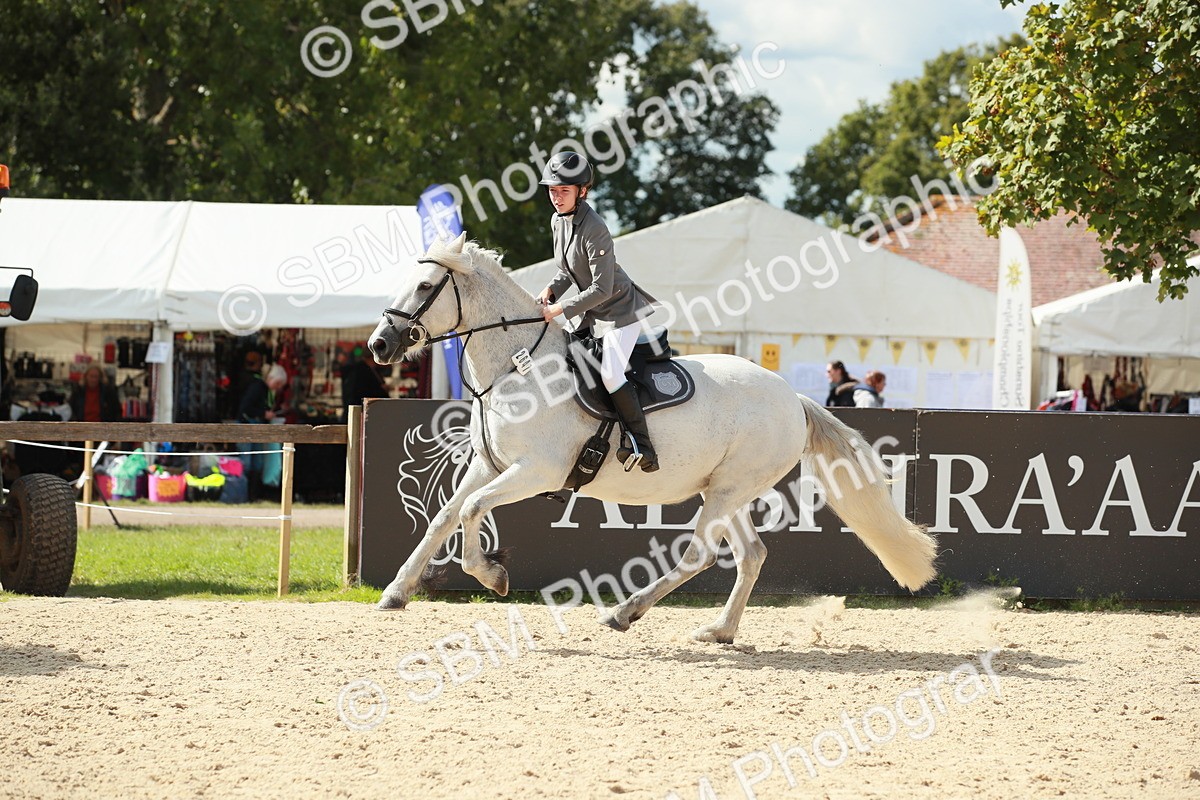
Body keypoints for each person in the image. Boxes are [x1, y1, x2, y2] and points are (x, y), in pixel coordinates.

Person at [535, 152, 660, 472]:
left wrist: (560, 308)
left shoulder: (596, 228)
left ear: (582, 191)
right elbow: (567, 270)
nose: (556, 197)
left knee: (611, 373)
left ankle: (642, 444)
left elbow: (602, 289)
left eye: (564, 191)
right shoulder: (557, 221)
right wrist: (551, 290)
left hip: (619, 312)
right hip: (590, 314)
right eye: (552, 190)